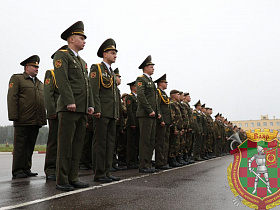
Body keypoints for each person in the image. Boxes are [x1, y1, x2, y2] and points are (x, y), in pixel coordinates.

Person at [53, 21, 94, 191]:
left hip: (82, 108)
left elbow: (87, 85)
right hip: (69, 107)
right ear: (71, 39)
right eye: (81, 37)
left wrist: (90, 105)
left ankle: (73, 177)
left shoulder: (82, 61)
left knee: (77, 145)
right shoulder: (61, 55)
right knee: (65, 145)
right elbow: (62, 80)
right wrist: (70, 100)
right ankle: (62, 180)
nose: (84, 40)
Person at [7, 55, 47, 179]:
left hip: (36, 120)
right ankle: (18, 170)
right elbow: (12, 97)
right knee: (20, 146)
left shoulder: (40, 83)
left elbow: (42, 101)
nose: (37, 69)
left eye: (38, 67)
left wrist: (42, 118)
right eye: (34, 66)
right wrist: (14, 116)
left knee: (30, 145)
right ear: (27, 67)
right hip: (22, 119)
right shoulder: (17, 79)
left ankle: (26, 168)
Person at [90, 38, 120, 183]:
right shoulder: (97, 68)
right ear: (105, 54)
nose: (115, 55)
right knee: (100, 143)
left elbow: (114, 95)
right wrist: (96, 108)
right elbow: (94, 90)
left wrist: (116, 113)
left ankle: (107, 171)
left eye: (115, 53)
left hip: (111, 113)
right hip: (101, 112)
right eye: (112, 53)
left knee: (110, 144)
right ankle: (99, 173)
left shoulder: (112, 73)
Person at [44, 45, 67, 181]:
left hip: (66, 112)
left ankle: (61, 169)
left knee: (64, 142)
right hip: (55, 113)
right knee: (53, 142)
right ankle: (50, 169)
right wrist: (52, 111)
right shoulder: (51, 74)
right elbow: (48, 94)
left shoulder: (68, 75)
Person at [136, 55, 161, 173]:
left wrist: (157, 112)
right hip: (145, 114)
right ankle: (143, 165)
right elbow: (141, 96)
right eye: (151, 67)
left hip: (152, 114)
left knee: (151, 140)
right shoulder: (141, 79)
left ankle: (148, 163)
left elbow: (155, 99)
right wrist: (150, 110)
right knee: (145, 140)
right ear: (145, 67)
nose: (153, 69)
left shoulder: (151, 81)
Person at [154, 74, 172, 170]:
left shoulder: (164, 93)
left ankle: (164, 161)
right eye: (165, 82)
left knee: (165, 142)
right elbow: (158, 107)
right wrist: (160, 120)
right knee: (160, 142)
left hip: (166, 121)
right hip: (162, 121)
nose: (166, 84)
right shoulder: (157, 92)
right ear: (160, 83)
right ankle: (159, 162)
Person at [126, 81, 139, 169]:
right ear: (133, 87)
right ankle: (130, 162)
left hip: (137, 123)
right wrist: (132, 122)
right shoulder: (129, 97)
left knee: (136, 143)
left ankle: (135, 160)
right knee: (131, 144)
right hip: (132, 123)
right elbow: (129, 111)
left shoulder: (138, 98)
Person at [168, 90, 184, 167]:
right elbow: (172, 117)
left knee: (177, 144)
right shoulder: (172, 104)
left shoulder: (177, 104)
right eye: (178, 94)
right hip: (175, 127)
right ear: (173, 95)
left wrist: (182, 128)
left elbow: (180, 118)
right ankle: (172, 159)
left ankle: (176, 158)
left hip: (178, 127)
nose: (179, 96)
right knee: (173, 144)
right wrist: (175, 128)